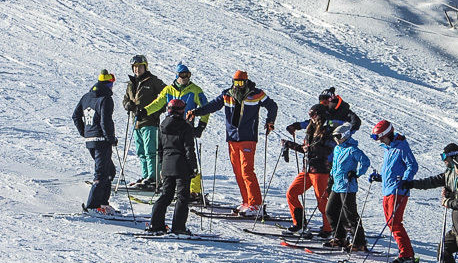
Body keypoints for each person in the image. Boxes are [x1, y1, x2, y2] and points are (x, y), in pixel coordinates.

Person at [190, 70, 277, 216]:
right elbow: (212, 106)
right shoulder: (227, 94)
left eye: (241, 83)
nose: (238, 85)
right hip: (232, 138)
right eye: (236, 82)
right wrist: (196, 112)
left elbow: (272, 106)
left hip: (247, 137)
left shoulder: (256, 94)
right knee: (238, 172)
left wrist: (270, 121)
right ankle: (247, 202)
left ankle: (256, 204)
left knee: (247, 171)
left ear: (246, 82)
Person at [281, 88, 359, 236]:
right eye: (310, 115)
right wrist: (290, 144)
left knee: (323, 202)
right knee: (291, 193)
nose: (311, 118)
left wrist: (307, 148)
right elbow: (307, 150)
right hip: (308, 169)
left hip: (321, 171)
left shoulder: (327, 131)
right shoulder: (312, 129)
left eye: (313, 115)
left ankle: (329, 228)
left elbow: (321, 151)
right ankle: (299, 223)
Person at [370, 119, 421, 263]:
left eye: (380, 137)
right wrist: (380, 177)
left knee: (395, 223)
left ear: (388, 134)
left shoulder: (401, 147)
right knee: (390, 223)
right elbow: (392, 170)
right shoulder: (389, 148)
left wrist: (405, 179)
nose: (380, 141)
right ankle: (406, 253)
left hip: (398, 190)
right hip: (388, 190)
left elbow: (413, 165)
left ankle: (406, 255)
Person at [147, 98, 202, 234]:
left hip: (166, 164)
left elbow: (159, 149)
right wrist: (193, 167)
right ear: (181, 111)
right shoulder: (185, 127)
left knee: (166, 195)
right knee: (182, 197)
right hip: (181, 165)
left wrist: (161, 166)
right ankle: (178, 227)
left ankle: (156, 224)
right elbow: (189, 149)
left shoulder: (162, 125)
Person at [72, 71, 118, 213]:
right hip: (102, 140)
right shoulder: (105, 99)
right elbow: (106, 121)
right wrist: (110, 138)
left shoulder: (86, 97)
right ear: (109, 84)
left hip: (91, 141)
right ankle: (93, 206)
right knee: (101, 173)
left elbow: (75, 116)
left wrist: (85, 133)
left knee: (109, 170)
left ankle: (103, 203)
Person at [321, 125, 372, 249]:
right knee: (330, 210)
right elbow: (335, 164)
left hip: (348, 186)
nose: (336, 139)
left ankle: (359, 242)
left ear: (345, 135)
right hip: (337, 185)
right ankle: (339, 238)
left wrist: (357, 173)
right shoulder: (338, 149)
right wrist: (332, 176)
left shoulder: (352, 150)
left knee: (350, 214)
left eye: (338, 136)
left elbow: (366, 162)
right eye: (334, 137)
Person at [122, 55, 166, 190]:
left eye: (140, 66)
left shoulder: (152, 81)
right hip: (136, 122)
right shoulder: (131, 83)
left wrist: (157, 111)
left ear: (145, 67)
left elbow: (166, 95)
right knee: (141, 151)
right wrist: (127, 104)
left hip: (149, 121)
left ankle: (154, 178)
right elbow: (125, 99)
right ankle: (146, 176)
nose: (137, 69)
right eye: (135, 67)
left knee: (150, 150)